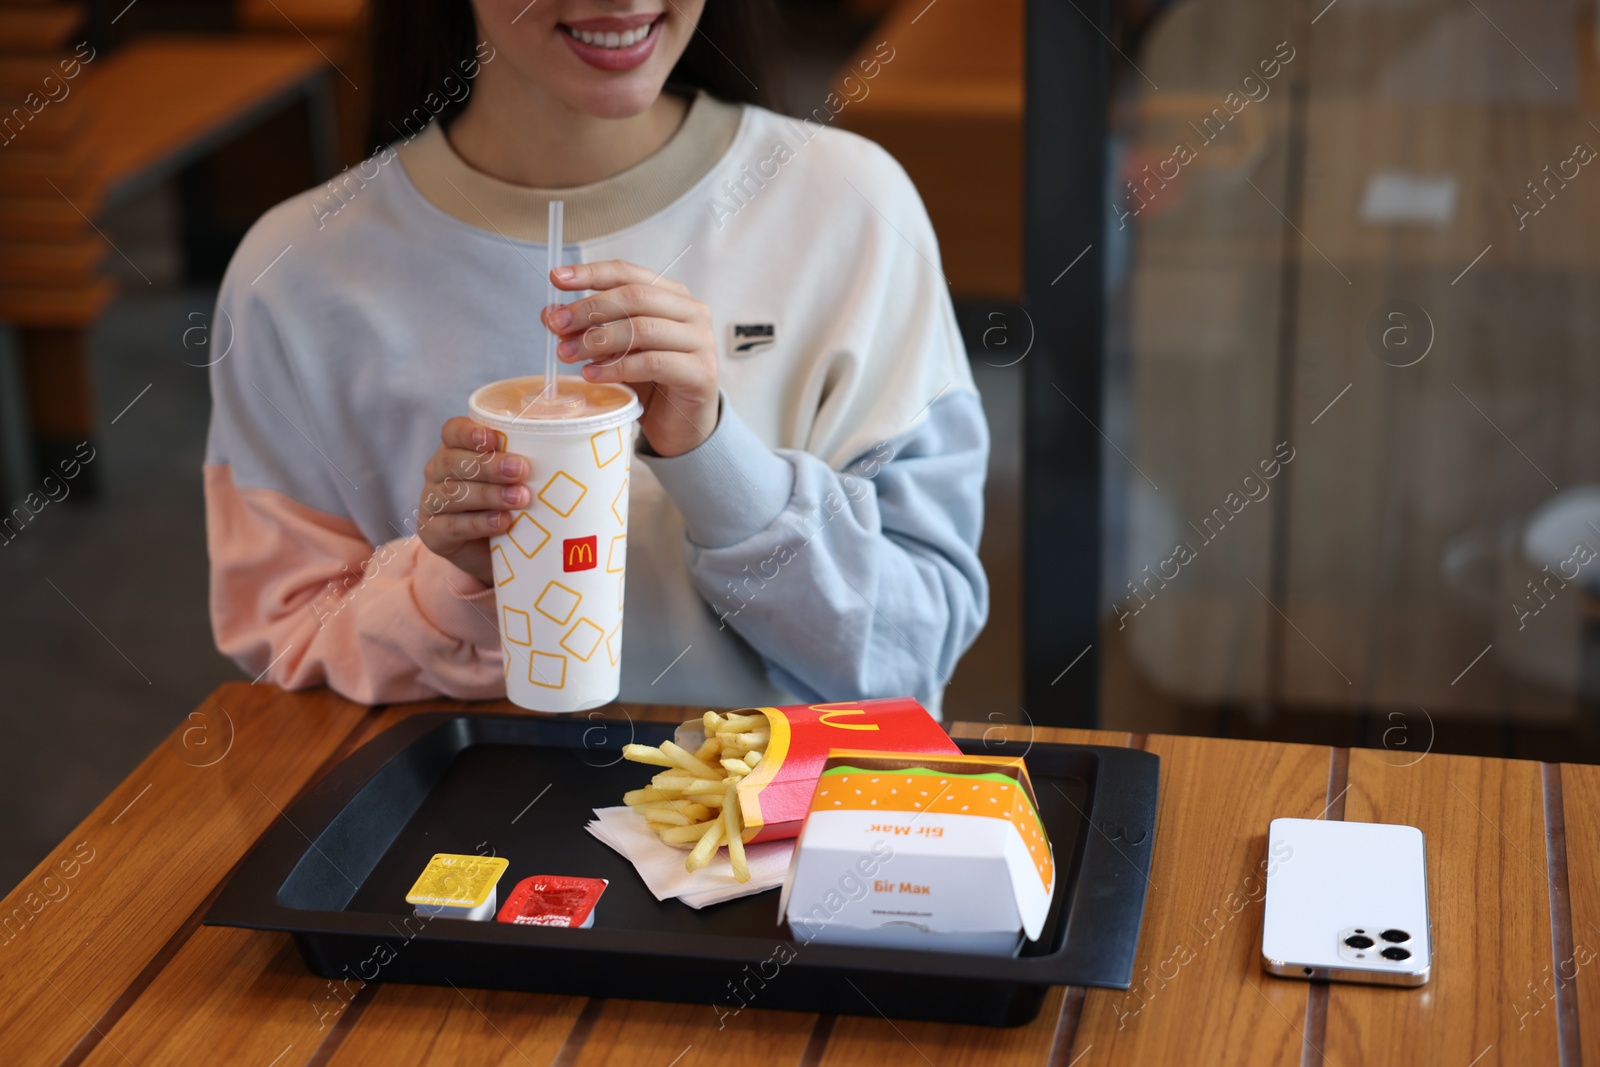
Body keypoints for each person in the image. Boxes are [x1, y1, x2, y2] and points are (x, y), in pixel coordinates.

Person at [204, 0, 989, 715]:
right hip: (466, 853)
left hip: (789, 843)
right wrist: (457, 587)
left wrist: (720, 463)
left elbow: (912, 653)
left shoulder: (853, 207)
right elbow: (288, 651)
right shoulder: (295, 275)